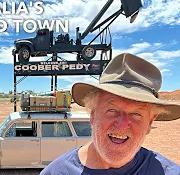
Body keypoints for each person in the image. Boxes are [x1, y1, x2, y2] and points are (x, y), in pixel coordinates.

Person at [40, 53, 180, 175]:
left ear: (150, 122)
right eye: (112, 110)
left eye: (136, 114)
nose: (122, 125)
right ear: (93, 114)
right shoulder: (56, 172)